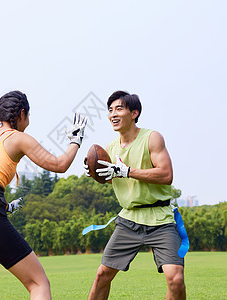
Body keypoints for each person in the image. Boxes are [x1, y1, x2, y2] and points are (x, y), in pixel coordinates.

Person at [0, 91, 87, 300]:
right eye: (28, 117)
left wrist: (3, 206)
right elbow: (59, 165)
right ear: (22, 114)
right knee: (39, 283)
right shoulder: (18, 138)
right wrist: (76, 140)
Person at [85, 91, 186, 300]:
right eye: (110, 110)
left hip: (160, 219)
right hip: (128, 220)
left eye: (119, 109)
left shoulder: (152, 138)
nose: (113, 114)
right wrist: (97, 173)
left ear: (134, 113)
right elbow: (112, 178)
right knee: (102, 275)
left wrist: (127, 171)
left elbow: (166, 175)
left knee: (175, 279)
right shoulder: (111, 148)